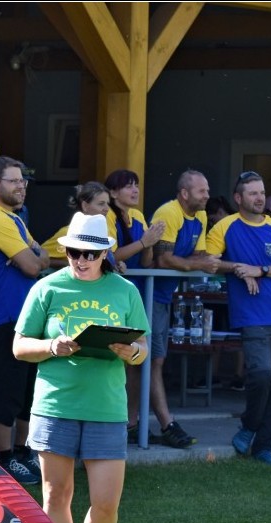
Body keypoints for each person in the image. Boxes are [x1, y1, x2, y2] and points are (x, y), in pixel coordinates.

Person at [12, 212, 149, 523]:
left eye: (91, 253)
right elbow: (18, 346)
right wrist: (50, 346)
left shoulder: (125, 290)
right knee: (55, 497)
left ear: (105, 254)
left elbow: (144, 348)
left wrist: (130, 353)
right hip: (56, 404)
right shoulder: (47, 287)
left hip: (107, 407)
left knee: (106, 504)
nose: (82, 260)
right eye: (75, 252)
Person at [206, 171, 271, 467]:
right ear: (238, 198)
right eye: (253, 193)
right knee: (261, 375)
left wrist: (259, 270)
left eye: (262, 192)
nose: (260, 198)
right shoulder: (225, 226)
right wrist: (238, 267)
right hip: (253, 315)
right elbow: (209, 263)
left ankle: (264, 445)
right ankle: (249, 425)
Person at [0, 156, 50, 485]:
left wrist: (32, 255)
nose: (22, 186)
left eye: (23, 180)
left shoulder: (14, 219)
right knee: (6, 394)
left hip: (26, 321)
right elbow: (34, 266)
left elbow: (41, 256)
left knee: (27, 392)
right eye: (13, 180)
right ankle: (3, 461)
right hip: (4, 321)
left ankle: (21, 453)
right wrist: (32, 256)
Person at [147, 170, 221, 449]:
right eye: (202, 191)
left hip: (165, 296)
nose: (207, 196)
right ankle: (167, 424)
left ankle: (134, 424)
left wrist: (205, 261)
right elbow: (164, 260)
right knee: (152, 361)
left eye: (208, 190)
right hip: (147, 294)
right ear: (184, 193)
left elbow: (198, 255)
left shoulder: (200, 216)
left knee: (152, 361)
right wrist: (198, 264)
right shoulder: (169, 212)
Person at [102, 170, 164, 438]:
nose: (135, 190)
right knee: (118, 358)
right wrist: (143, 242)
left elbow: (147, 262)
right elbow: (110, 256)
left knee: (138, 358)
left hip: (137, 294)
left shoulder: (138, 216)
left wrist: (149, 244)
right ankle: (113, 420)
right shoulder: (108, 216)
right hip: (114, 295)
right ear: (113, 193)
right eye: (128, 186)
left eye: (137, 185)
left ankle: (132, 420)